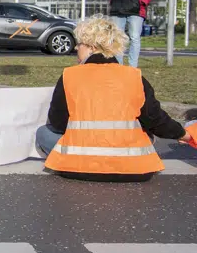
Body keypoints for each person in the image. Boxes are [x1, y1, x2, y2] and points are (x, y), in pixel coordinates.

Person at [36, 16, 194, 179]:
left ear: (91, 47)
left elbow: (57, 123)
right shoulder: (134, 76)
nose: (76, 47)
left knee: (43, 132)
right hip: (133, 169)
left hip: (78, 166)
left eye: (80, 43)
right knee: (146, 132)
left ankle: (65, 161)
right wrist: (185, 135)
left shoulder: (70, 75)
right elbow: (156, 119)